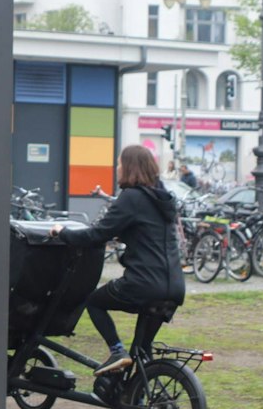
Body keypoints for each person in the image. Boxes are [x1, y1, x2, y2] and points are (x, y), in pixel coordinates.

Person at [49, 144, 186, 375]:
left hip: (143, 284)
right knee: (142, 351)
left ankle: (116, 350)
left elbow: (96, 235)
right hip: (174, 287)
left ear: (130, 167)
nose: (117, 168)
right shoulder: (163, 200)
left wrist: (61, 231)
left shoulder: (131, 198)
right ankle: (140, 400)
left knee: (93, 301)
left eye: (120, 163)